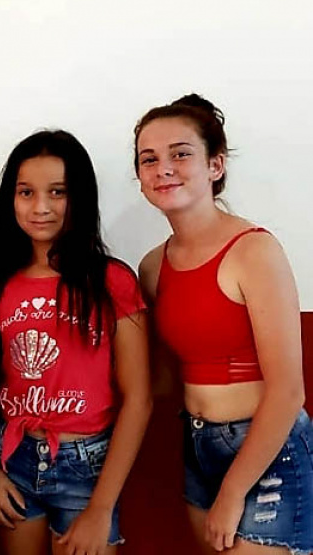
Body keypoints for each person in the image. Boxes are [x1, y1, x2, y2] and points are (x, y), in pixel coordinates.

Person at [136, 94, 313, 555]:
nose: (163, 168)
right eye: (149, 159)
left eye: (180, 154)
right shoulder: (152, 267)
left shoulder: (255, 251)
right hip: (198, 447)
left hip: (267, 450)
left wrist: (234, 491)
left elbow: (288, 391)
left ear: (215, 165)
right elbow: (161, 379)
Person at [0, 130, 151, 555]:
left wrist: (101, 507)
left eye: (58, 192)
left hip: (86, 465)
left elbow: (139, 399)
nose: (41, 207)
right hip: (12, 456)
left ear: (80, 198)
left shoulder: (112, 280)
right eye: (26, 192)